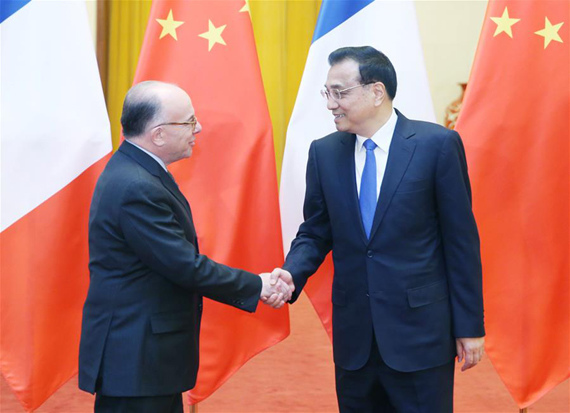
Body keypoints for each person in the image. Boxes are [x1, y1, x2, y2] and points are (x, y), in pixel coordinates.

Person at [274, 46, 485, 412]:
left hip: (420, 335)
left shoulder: (436, 146)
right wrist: (292, 273)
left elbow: (461, 243)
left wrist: (469, 326)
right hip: (355, 338)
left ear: (376, 92)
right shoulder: (325, 153)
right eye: (328, 93)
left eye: (339, 92)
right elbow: (315, 231)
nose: (330, 104)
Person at [78, 81, 293, 413]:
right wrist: (259, 285)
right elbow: (183, 265)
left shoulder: (138, 171)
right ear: (159, 134)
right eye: (190, 122)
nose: (199, 128)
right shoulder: (136, 185)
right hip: (136, 359)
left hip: (143, 358)